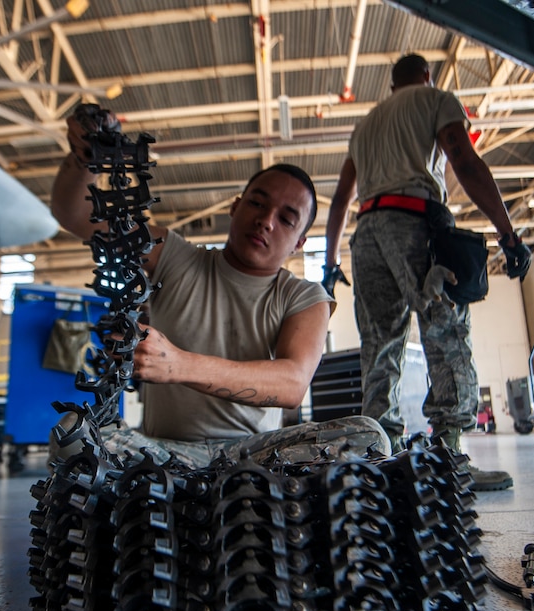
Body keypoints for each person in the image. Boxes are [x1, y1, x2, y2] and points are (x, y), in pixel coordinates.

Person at [48, 109, 390, 469]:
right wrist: (86, 156)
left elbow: (292, 384)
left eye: (286, 219)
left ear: (299, 244)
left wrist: (179, 365)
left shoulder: (305, 297)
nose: (265, 220)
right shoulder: (174, 257)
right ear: (235, 206)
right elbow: (75, 215)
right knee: (72, 433)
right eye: (257, 203)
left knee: (369, 436)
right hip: (162, 455)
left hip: (256, 458)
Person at [324, 53, 530, 491]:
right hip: (416, 222)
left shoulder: (366, 125)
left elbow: (341, 199)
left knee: (379, 348)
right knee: (446, 334)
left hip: (367, 234)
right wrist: (508, 233)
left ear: (392, 84)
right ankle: (451, 456)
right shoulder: (436, 99)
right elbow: (465, 161)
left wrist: (329, 263)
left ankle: (380, 459)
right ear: (426, 76)